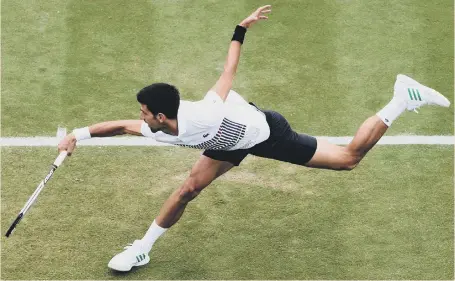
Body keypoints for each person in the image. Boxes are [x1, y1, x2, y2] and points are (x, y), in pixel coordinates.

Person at [58, 5, 450, 272]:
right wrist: (76, 135)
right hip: (226, 144)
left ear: (161, 116)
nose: (141, 117)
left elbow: (230, 68)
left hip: (266, 134)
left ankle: (402, 98)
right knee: (187, 190)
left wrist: (240, 30)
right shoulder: (163, 127)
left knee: (349, 158)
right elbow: (120, 126)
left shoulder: (206, 111)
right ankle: (141, 249)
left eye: (145, 112)